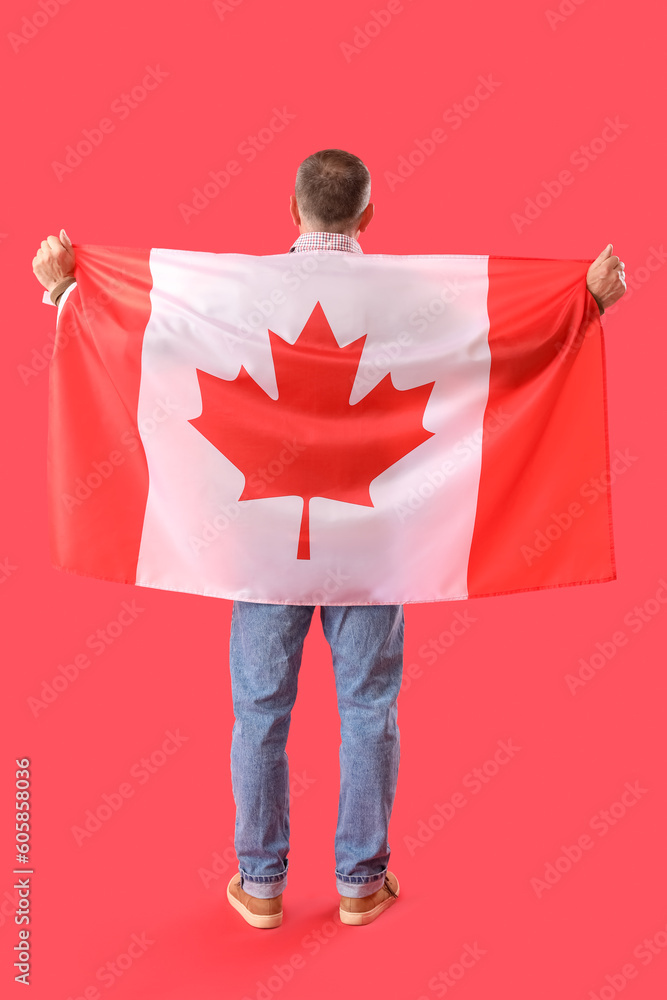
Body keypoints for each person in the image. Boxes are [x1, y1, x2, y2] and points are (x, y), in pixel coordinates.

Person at [32, 148, 627, 930]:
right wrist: (585, 301)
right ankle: (360, 884)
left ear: (292, 209)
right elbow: (499, 346)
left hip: (258, 546)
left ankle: (260, 885)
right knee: (369, 709)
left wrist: (68, 287)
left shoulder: (232, 291)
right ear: (367, 214)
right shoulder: (414, 296)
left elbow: (150, 334)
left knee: (259, 713)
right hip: (373, 547)